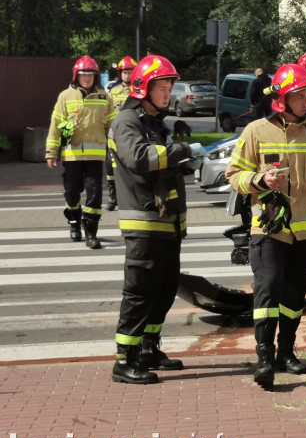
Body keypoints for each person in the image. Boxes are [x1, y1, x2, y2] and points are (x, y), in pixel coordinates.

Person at [226, 63, 306, 389]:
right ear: (281, 99)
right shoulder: (255, 131)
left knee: (293, 296)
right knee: (268, 289)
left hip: (304, 228)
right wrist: (261, 179)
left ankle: (287, 352)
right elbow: (234, 175)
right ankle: (265, 358)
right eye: (298, 95)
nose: (305, 101)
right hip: (268, 228)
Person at [109, 55, 194, 384]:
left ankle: (148, 348)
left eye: (170, 85)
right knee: (141, 291)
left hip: (166, 221)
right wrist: (179, 151)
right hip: (144, 221)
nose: (169, 91)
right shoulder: (127, 120)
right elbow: (139, 158)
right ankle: (124, 360)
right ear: (144, 87)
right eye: (163, 85)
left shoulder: (155, 122)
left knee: (165, 288)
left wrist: (181, 154)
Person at [45, 55, 116, 249]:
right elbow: (55, 125)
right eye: (83, 75)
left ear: (96, 77)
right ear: (76, 76)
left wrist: (120, 149)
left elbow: (113, 126)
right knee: (72, 192)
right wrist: (51, 152)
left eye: (90, 75)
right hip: (72, 155)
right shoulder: (65, 96)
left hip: (95, 156)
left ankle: (91, 233)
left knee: (94, 195)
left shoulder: (104, 97)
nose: (86, 79)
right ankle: (74, 222)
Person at [104, 56, 137, 211]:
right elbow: (107, 112)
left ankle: (132, 196)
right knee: (111, 167)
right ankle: (113, 196)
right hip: (114, 135)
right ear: (120, 73)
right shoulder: (114, 92)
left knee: (131, 165)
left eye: (130, 72)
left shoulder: (138, 91)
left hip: (132, 135)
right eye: (124, 72)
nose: (127, 75)